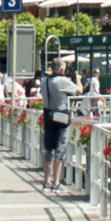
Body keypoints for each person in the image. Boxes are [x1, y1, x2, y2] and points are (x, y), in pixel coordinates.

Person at [38, 61, 78, 192]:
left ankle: (46, 182)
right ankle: (56, 182)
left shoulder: (44, 80)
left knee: (49, 149)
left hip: (48, 114)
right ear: (61, 69)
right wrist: (77, 78)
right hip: (61, 115)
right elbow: (79, 90)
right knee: (60, 149)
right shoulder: (62, 80)